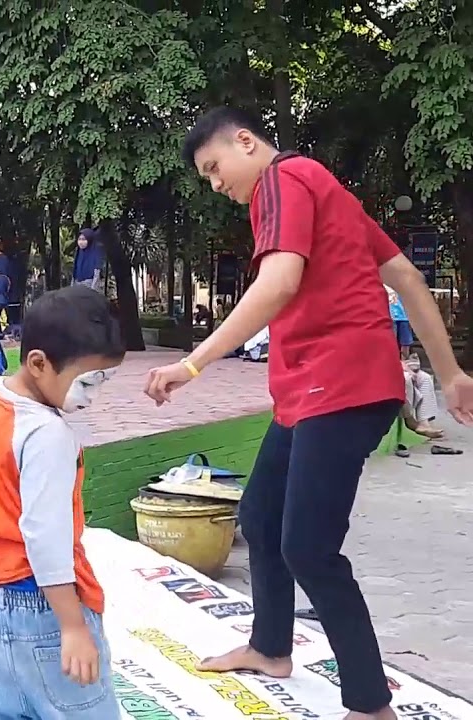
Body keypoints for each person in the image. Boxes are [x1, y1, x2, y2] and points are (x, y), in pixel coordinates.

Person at [148, 106, 473, 720]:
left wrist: (192, 365)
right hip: (313, 392)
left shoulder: (282, 180)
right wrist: (450, 373)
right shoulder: (324, 189)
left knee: (309, 548)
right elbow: (404, 275)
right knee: (262, 516)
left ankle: (370, 704)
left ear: (246, 142)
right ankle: (271, 648)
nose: (216, 184)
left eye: (215, 168)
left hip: (341, 385)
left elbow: (279, 283)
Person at [0, 285, 125, 719]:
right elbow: (44, 537)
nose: (92, 396)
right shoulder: (48, 434)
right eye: (88, 381)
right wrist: (72, 626)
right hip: (46, 613)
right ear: (38, 363)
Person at [386, 285, 412, 358]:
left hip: (405, 316)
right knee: (391, 344)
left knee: (405, 344)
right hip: (390, 317)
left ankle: (405, 364)